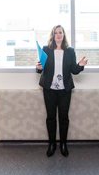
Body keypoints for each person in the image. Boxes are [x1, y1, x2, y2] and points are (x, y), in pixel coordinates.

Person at [36, 25, 88, 157]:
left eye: (61, 32)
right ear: (52, 36)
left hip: (65, 90)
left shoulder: (70, 51)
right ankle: (52, 144)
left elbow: (74, 71)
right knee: (51, 118)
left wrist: (80, 66)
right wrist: (38, 67)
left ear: (63, 35)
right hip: (49, 89)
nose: (58, 35)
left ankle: (63, 144)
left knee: (64, 118)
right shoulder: (46, 49)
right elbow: (41, 69)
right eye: (56, 33)